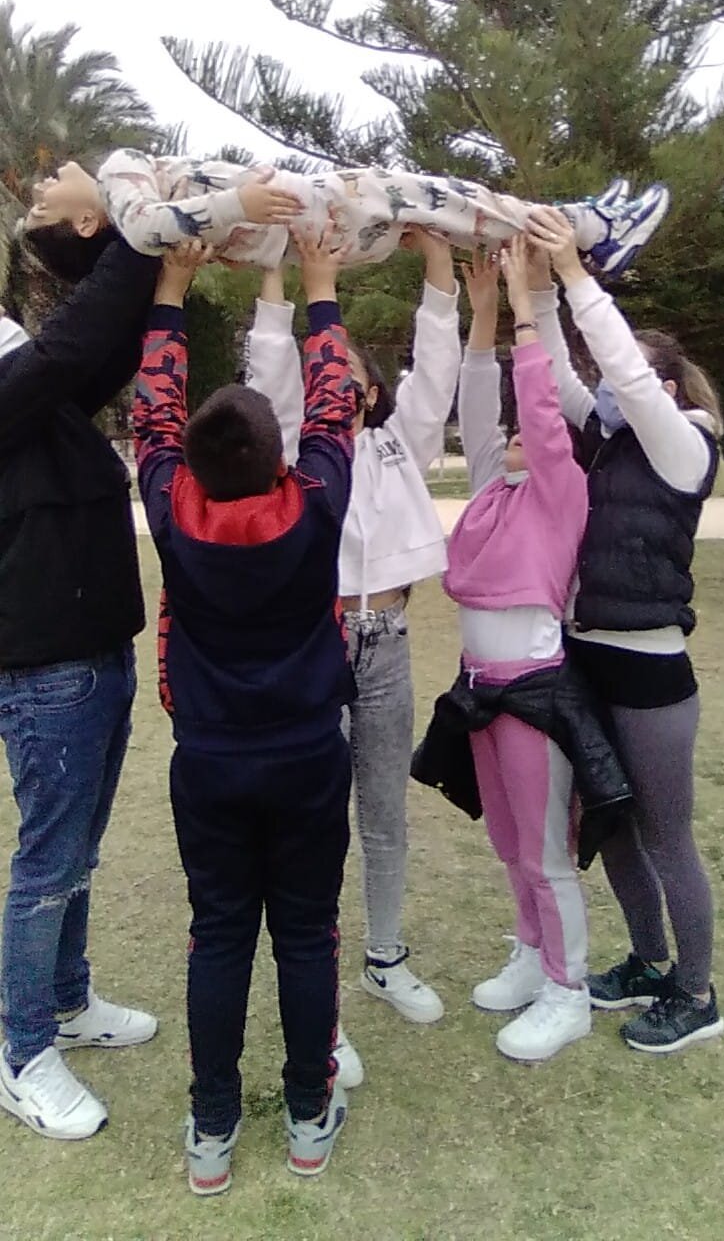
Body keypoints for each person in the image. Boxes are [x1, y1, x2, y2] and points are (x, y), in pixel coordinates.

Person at [133, 229, 357, 1195]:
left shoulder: (172, 506)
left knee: (218, 935)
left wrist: (170, 290)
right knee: (307, 935)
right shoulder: (313, 502)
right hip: (310, 754)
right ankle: (309, 1116)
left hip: (212, 762)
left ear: (191, 461)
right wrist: (321, 289)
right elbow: (339, 407)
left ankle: (213, 1129)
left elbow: (150, 419)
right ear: (280, 459)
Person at [246, 229, 459, 1083]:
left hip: (392, 640)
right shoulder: (302, 450)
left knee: (384, 809)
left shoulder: (402, 441)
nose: (352, 389)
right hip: (319, 643)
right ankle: (321, 1000)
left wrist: (440, 270)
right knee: (314, 822)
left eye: (359, 378)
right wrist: (273, 273)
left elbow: (437, 372)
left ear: (371, 388)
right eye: (332, 377)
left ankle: (385, 953)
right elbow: (268, 374)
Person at [525, 205, 724, 1055]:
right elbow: (558, 368)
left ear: (670, 392)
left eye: (632, 375)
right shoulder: (605, 441)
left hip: (651, 672)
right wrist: (530, 288)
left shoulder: (684, 452)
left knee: (665, 836)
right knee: (607, 828)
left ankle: (696, 991)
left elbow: (629, 381)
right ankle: (646, 962)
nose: (609, 382)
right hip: (587, 660)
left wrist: (578, 276)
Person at [0, 244, 160, 1144]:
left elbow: (102, 346)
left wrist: (140, 252)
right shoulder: (14, 399)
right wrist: (140, 233)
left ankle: (66, 1001)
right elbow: (70, 349)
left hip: (96, 656)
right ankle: (21, 1055)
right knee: (49, 866)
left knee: (78, 854)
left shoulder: (41, 405)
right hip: (45, 673)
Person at [440, 238, 593, 1062]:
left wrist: (530, 308)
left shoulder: (559, 495)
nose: (514, 437)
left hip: (534, 690)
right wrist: (487, 310)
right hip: (478, 692)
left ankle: (570, 992)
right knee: (510, 843)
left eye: (533, 433)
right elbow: (475, 406)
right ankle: (533, 956)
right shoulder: (490, 494)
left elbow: (539, 413)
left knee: (545, 853)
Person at [21, 150, 669, 281]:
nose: (43, 183)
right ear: (83, 225)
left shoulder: (147, 234)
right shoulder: (116, 178)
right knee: (449, 199)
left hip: (312, 230)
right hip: (312, 207)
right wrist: (237, 203)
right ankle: (590, 230)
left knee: (450, 209)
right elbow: (141, 226)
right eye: (38, 205)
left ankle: (578, 228)